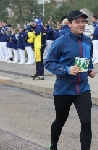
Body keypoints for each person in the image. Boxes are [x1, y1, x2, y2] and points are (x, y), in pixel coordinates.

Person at [44, 10, 96, 150]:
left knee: (86, 122)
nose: (81, 25)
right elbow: (49, 63)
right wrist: (67, 70)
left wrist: (90, 70)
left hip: (83, 88)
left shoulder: (87, 41)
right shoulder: (61, 41)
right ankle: (53, 145)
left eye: (83, 22)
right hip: (64, 89)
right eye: (77, 22)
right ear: (69, 24)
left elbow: (88, 60)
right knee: (60, 120)